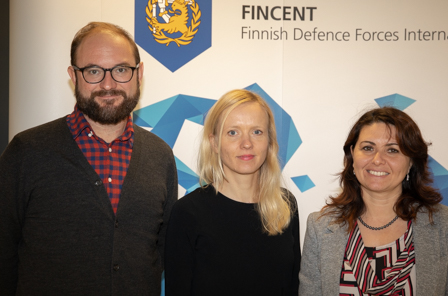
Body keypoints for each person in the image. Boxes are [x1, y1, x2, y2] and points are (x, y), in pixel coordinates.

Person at [0, 22, 178, 295]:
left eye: (121, 70)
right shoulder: (27, 151)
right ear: (74, 76)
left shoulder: (160, 156)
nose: (108, 84)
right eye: (93, 71)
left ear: (139, 74)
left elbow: (164, 253)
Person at [299, 107, 448, 296]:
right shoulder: (320, 227)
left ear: (411, 161)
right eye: (368, 148)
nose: (378, 160)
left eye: (392, 150)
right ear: (353, 155)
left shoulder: (447, 225)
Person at [164, 89, 301, 295]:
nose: (246, 143)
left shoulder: (285, 204)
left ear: (269, 142)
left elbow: (292, 287)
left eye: (256, 132)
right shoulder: (188, 212)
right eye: (233, 132)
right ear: (214, 143)